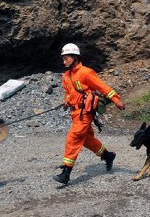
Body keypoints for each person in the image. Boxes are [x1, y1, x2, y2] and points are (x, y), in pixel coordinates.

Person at [53, 43, 126, 184]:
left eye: (66, 58)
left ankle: (66, 173)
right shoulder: (66, 76)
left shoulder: (86, 72)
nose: (64, 61)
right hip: (74, 114)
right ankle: (108, 155)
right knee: (85, 139)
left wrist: (116, 100)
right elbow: (68, 93)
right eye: (63, 58)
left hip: (85, 113)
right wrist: (67, 101)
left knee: (73, 138)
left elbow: (102, 87)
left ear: (75, 57)